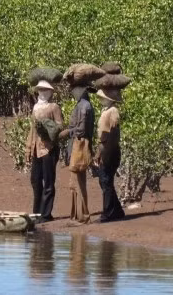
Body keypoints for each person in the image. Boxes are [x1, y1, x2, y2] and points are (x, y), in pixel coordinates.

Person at [24, 80, 64, 223]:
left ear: (50, 92)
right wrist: (28, 148)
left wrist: (48, 129)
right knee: (35, 180)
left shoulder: (54, 107)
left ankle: (46, 214)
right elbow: (32, 130)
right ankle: (37, 212)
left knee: (48, 182)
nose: (43, 93)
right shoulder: (35, 107)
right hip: (36, 149)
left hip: (48, 149)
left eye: (45, 90)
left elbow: (59, 126)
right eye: (40, 90)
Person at [94, 88, 126, 222]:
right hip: (105, 148)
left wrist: (104, 152)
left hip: (110, 150)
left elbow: (112, 132)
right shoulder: (106, 110)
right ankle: (116, 210)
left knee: (106, 180)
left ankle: (108, 213)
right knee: (105, 180)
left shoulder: (113, 111)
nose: (101, 99)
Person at [65, 85, 95, 224]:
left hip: (80, 145)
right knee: (75, 182)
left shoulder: (84, 106)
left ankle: (83, 216)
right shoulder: (83, 105)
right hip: (78, 144)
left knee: (78, 182)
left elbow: (81, 130)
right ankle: (78, 215)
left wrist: (68, 132)